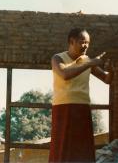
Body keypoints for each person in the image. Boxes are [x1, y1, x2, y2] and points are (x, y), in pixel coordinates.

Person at [49, 28, 114, 163]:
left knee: (82, 149)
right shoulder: (57, 58)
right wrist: (89, 63)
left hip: (82, 108)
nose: (86, 46)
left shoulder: (86, 60)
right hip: (63, 108)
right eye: (82, 42)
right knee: (62, 148)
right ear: (71, 42)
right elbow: (65, 74)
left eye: (88, 43)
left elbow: (107, 79)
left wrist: (111, 70)